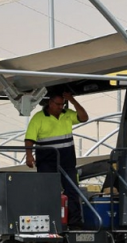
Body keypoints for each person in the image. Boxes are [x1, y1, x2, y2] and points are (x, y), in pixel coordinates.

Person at [24, 87, 90, 224]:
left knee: (72, 190)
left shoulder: (67, 114)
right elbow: (29, 138)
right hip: (47, 161)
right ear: (50, 103)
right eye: (58, 104)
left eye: (63, 104)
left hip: (67, 161)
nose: (61, 107)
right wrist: (29, 155)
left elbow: (84, 117)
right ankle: (49, 220)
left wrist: (72, 100)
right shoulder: (38, 118)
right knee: (48, 191)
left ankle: (75, 222)